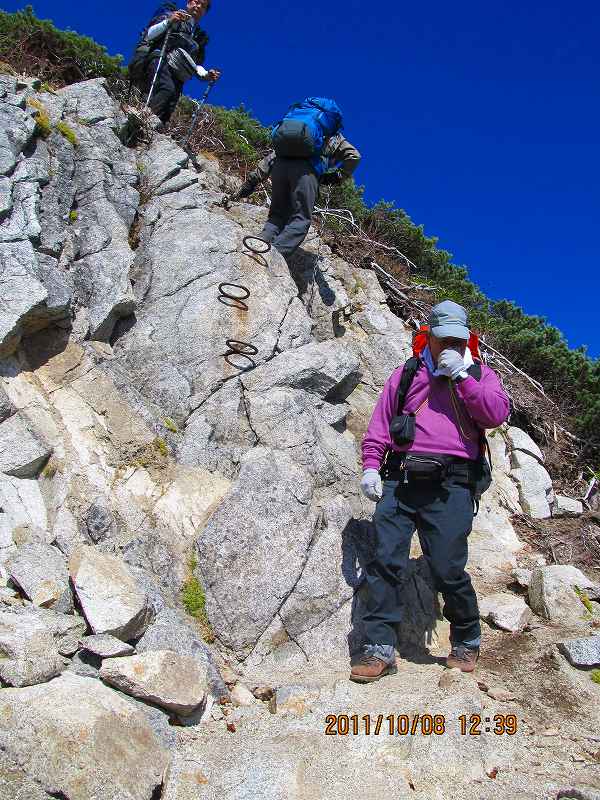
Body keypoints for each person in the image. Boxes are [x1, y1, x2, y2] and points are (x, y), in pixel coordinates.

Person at [351, 300, 510, 683]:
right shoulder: (406, 374)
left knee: (448, 568)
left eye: (458, 340)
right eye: (444, 340)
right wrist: (372, 466)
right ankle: (378, 648)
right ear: (429, 338)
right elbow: (380, 424)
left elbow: (495, 414)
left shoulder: (480, 374)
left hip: (453, 484)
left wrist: (463, 378)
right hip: (400, 480)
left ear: (467, 339)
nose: (450, 347)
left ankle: (467, 638)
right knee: (386, 562)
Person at [232, 98, 361, 259]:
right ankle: (274, 256)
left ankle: (259, 243)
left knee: (277, 215)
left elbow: (271, 158)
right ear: (332, 121)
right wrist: (337, 177)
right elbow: (354, 156)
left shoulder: (296, 126)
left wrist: (251, 182)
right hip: (306, 171)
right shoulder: (333, 136)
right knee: (301, 219)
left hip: (280, 167)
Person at [130, 0, 221, 125]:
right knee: (166, 89)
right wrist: (169, 21)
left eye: (203, 6)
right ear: (189, 2)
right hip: (160, 59)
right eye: (196, 1)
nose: (198, 6)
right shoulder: (172, 15)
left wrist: (206, 75)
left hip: (178, 73)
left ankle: (148, 129)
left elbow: (195, 63)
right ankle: (141, 123)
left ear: (205, 12)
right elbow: (149, 35)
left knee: (169, 106)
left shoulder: (199, 36)